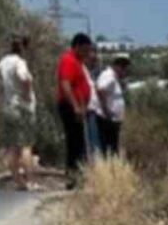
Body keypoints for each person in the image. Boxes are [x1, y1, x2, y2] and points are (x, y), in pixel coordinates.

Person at [0, 36, 36, 191]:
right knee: (26, 145)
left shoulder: (4, 61)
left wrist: (5, 87)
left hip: (8, 105)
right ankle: (30, 181)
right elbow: (24, 78)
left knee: (12, 146)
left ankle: (18, 181)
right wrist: (27, 95)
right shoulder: (20, 62)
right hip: (21, 107)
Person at [56, 32, 94, 188]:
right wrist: (76, 106)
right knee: (74, 144)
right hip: (70, 107)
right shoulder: (68, 60)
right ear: (77, 46)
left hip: (78, 107)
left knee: (79, 144)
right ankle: (72, 179)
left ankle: (77, 177)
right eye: (85, 50)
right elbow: (66, 84)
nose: (87, 53)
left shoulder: (78, 62)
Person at [95, 55, 130, 157]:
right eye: (123, 67)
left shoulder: (113, 77)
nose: (125, 71)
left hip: (113, 119)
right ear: (117, 66)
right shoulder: (109, 76)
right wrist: (106, 110)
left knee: (112, 147)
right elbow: (100, 90)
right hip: (108, 119)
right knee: (109, 147)